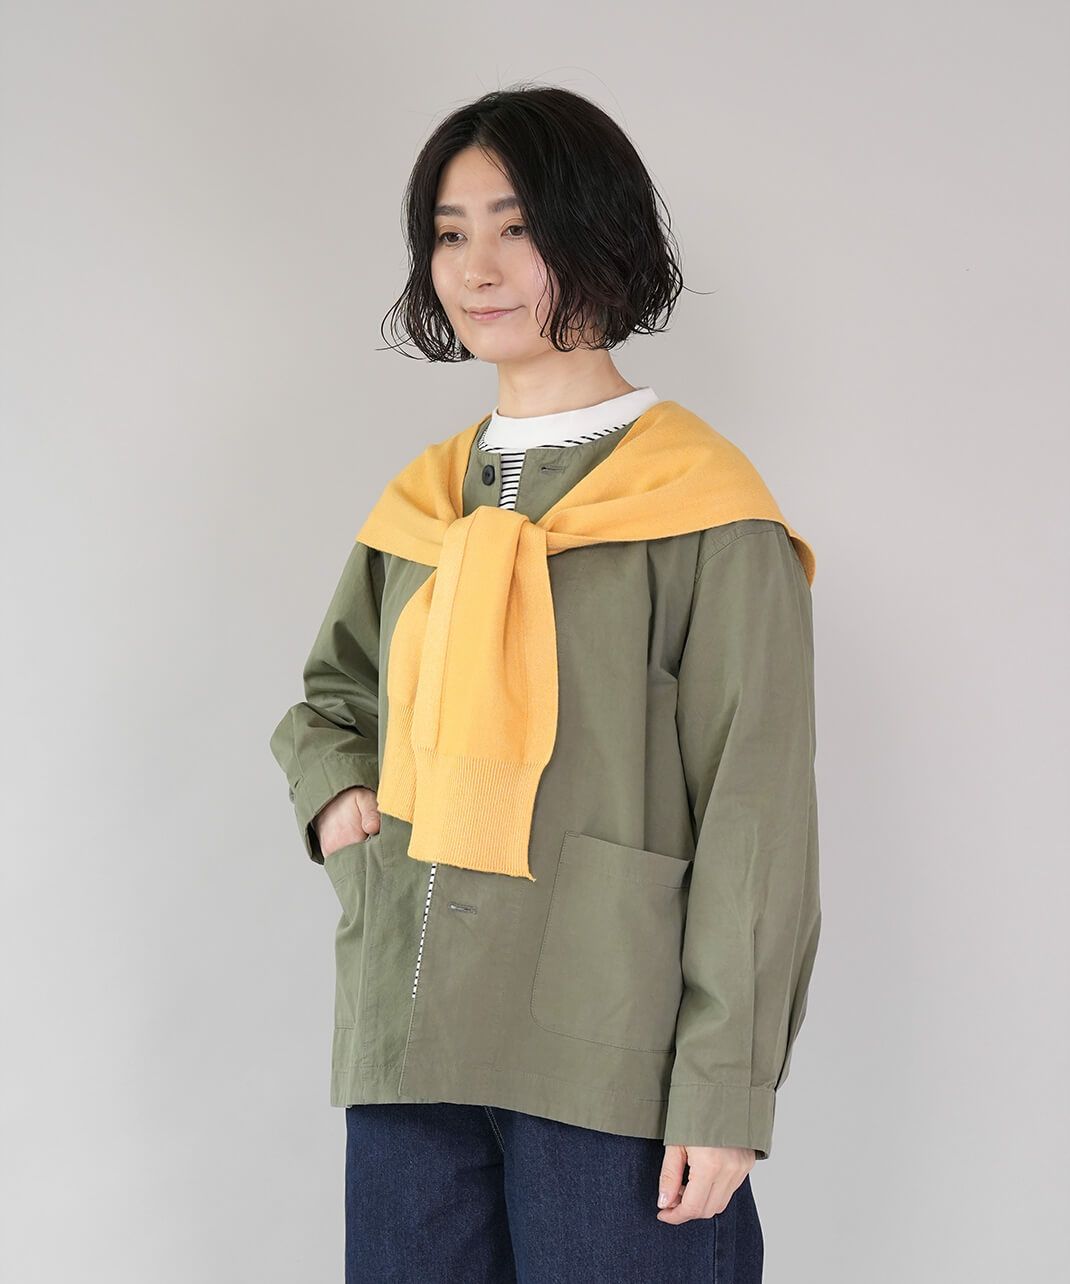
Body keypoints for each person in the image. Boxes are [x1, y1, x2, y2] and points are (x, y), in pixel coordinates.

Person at [269, 83, 821, 1284]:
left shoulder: (705, 511)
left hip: (607, 1049)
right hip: (411, 1033)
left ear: (597, 234)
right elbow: (334, 698)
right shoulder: (422, 502)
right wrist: (339, 799)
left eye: (515, 227)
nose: (477, 267)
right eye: (449, 232)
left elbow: (755, 814)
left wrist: (722, 1086)